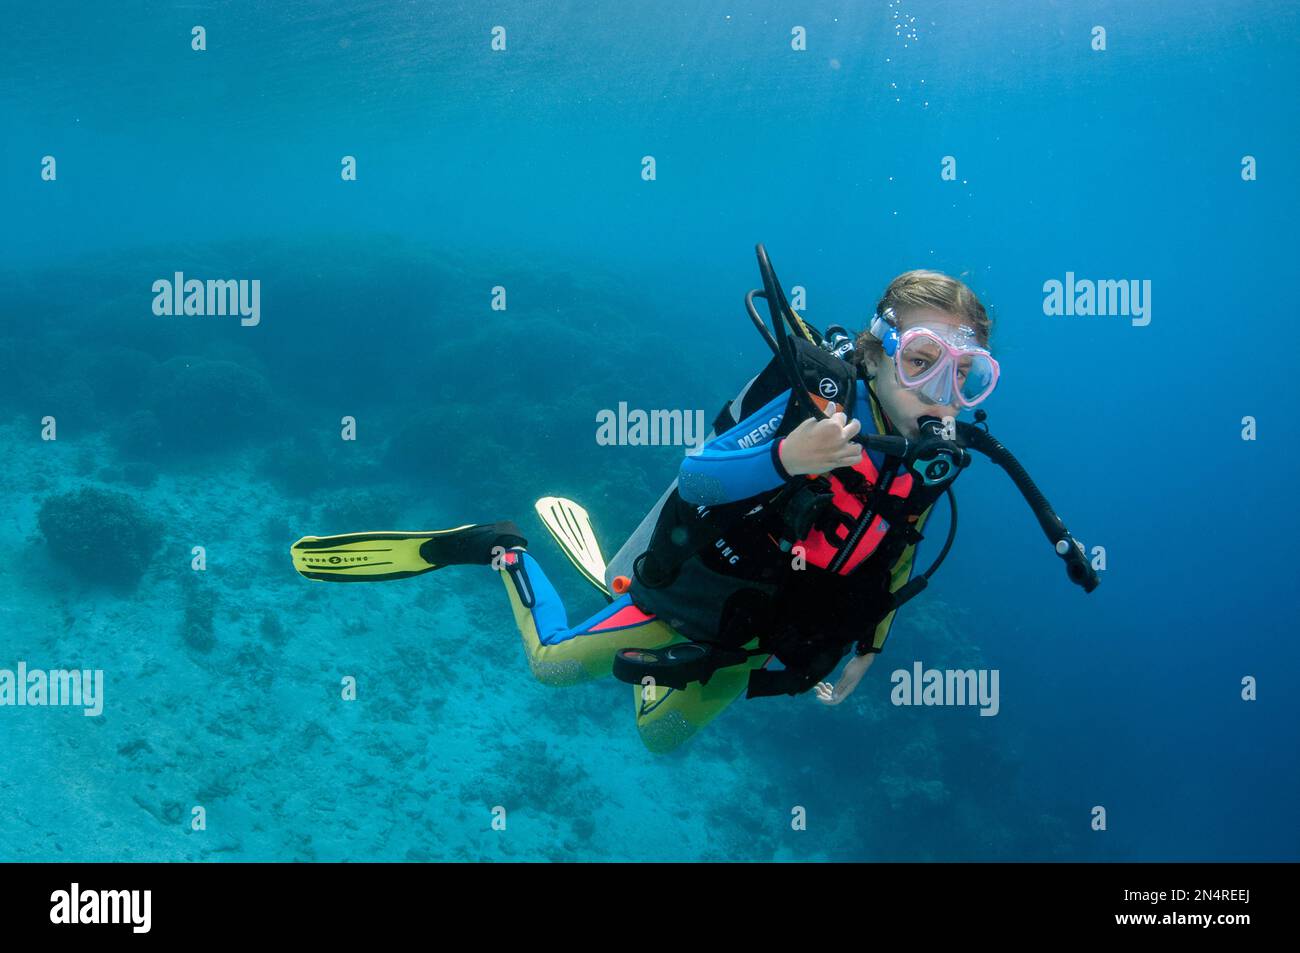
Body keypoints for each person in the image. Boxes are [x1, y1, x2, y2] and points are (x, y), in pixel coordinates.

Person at [292, 248, 1093, 754]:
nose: (942, 394)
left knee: (661, 742)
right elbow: (702, 473)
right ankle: (501, 546)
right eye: (923, 361)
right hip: (696, 594)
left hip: (751, 638)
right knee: (549, 667)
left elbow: (898, 558)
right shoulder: (817, 407)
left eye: (968, 376)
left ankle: (655, 664)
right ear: (878, 352)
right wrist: (788, 456)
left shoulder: (933, 463)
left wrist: (868, 653)